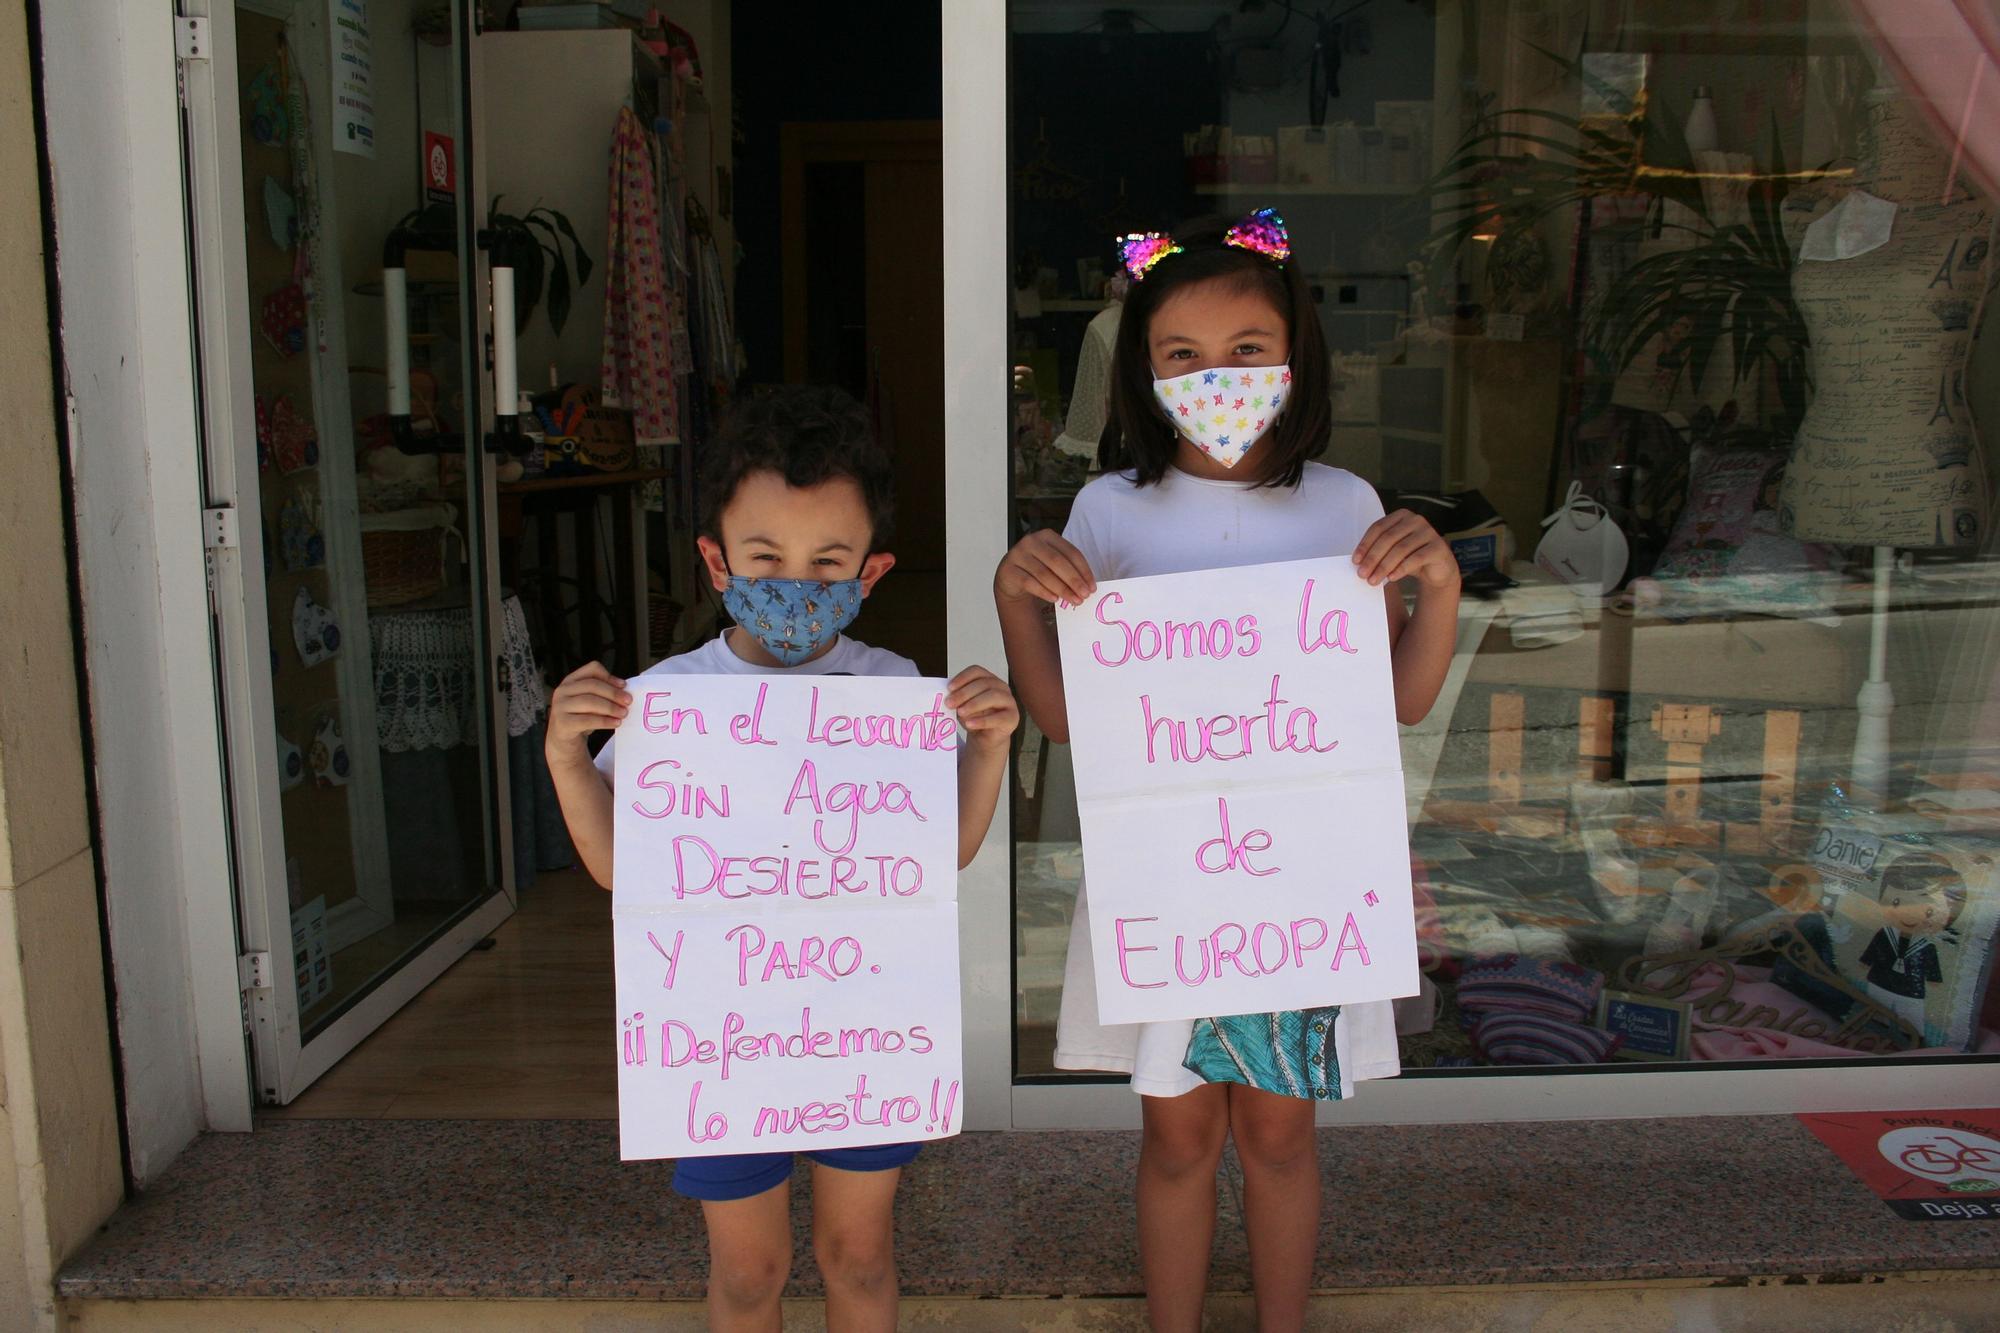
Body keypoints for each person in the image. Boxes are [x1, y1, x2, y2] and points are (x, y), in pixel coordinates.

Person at [994, 210, 1461, 1331]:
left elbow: (1394, 701)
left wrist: (1435, 588)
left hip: (1297, 885)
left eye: (1245, 350)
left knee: (1280, 1132)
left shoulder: (1343, 505)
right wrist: (1014, 598)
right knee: (1176, 1134)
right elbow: (1061, 716)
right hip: (1166, 882)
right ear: (1139, 373)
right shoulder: (1108, 510)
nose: (1216, 378)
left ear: (1293, 357)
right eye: (1181, 356)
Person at [546, 384, 1018, 1332]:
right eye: (765, 557)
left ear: (871, 572)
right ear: (716, 561)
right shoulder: (667, 702)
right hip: (722, 1035)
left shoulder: (893, 692)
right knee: (751, 1269)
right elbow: (617, 869)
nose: (795, 583)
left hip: (864, 1025)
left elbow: (945, 852)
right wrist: (566, 753)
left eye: (826, 561)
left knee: (860, 1254)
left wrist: (990, 749)